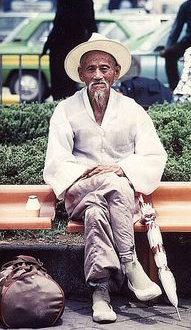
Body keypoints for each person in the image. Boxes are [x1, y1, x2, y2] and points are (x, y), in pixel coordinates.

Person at [43, 33, 167, 323]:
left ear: (116, 72)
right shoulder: (65, 110)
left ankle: (101, 294)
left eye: (104, 68)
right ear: (80, 74)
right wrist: (87, 171)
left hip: (117, 203)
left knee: (98, 212)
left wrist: (121, 169)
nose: (98, 75)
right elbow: (56, 160)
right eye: (91, 69)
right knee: (111, 184)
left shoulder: (133, 111)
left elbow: (153, 156)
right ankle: (130, 263)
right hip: (79, 191)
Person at [41, 0, 97, 101]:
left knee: (59, 86)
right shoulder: (85, 1)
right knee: (71, 83)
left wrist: (47, 46)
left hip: (60, 50)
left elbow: (57, 26)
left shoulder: (64, 0)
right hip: (74, 49)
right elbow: (92, 28)